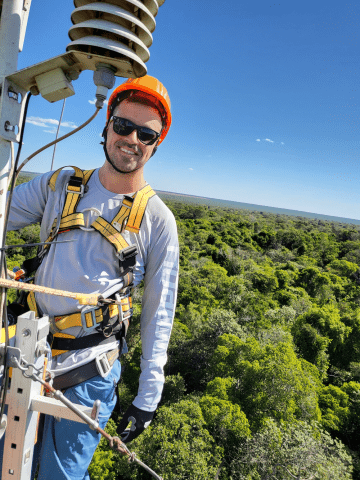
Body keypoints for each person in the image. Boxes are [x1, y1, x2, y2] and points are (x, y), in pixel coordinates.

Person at [6, 75, 179, 479]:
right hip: (27, 348)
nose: (131, 138)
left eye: (146, 134)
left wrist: (148, 396)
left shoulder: (157, 220)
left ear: (156, 144)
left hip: (89, 369)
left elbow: (159, 310)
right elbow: (1, 213)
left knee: (59, 476)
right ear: (106, 126)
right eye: (122, 126)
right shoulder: (62, 184)